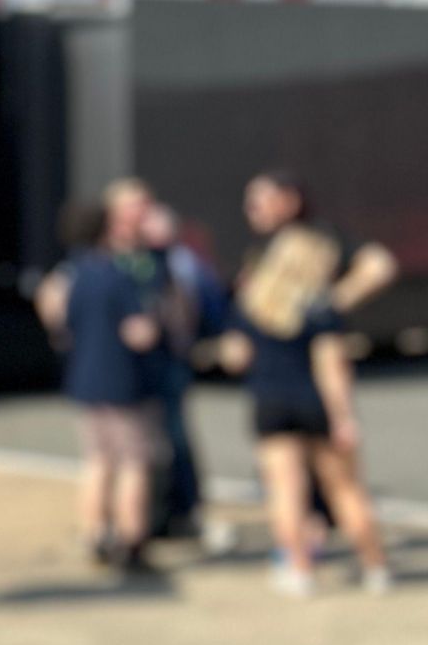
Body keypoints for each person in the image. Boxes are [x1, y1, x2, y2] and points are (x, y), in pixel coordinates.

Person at [219, 171, 396, 597]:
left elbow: (235, 353)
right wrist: (343, 415)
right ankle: (375, 566)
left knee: (285, 490)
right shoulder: (319, 311)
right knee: (345, 488)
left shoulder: (252, 304)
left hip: (270, 397)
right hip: (315, 399)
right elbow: (331, 363)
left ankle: (297, 569)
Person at [39, 184, 169, 572]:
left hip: (84, 378)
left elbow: (56, 319)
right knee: (134, 462)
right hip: (122, 381)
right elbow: (138, 332)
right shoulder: (116, 276)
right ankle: (133, 541)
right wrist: (156, 327)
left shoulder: (71, 275)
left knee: (96, 460)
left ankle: (95, 534)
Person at [139, 202, 211, 540]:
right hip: (149, 366)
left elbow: (204, 304)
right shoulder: (137, 263)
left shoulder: (182, 264)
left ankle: (184, 508)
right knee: (149, 442)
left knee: (176, 439)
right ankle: (155, 513)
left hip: (172, 362)